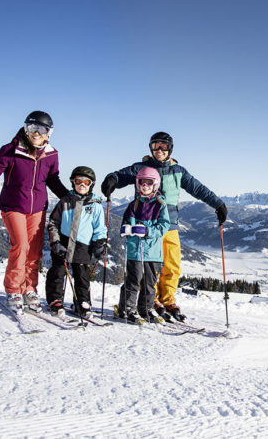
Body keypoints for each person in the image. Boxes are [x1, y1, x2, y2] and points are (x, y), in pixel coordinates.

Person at [101, 132, 227, 321]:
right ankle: (148, 300)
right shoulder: (141, 168)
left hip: (169, 224)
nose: (159, 150)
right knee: (147, 265)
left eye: (163, 146)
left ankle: (167, 300)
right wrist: (112, 179)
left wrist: (217, 204)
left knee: (171, 264)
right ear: (150, 148)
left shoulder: (178, 171)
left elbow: (198, 189)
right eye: (155, 146)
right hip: (144, 224)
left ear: (170, 149)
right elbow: (120, 176)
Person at [0, 111, 68, 314]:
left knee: (34, 251)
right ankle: (14, 289)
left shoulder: (51, 154)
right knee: (21, 246)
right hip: (13, 206)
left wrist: (68, 196)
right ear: (25, 128)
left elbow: (52, 179)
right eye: (33, 128)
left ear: (49, 133)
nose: (37, 133)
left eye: (42, 129)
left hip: (38, 209)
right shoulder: (11, 150)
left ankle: (29, 288)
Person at [45, 166, 107, 319]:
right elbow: (53, 222)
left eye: (86, 182)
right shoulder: (65, 202)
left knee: (82, 275)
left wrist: (99, 244)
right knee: (58, 272)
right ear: (73, 182)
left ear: (91, 185)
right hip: (63, 243)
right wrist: (55, 242)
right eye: (78, 181)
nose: (82, 185)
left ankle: (83, 302)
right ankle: (55, 300)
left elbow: (100, 228)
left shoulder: (95, 206)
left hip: (83, 246)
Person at [114, 167, 170, 324]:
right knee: (133, 280)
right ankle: (127, 308)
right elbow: (125, 223)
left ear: (155, 184)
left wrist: (147, 231)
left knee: (149, 282)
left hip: (153, 251)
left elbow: (164, 226)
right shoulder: (133, 205)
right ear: (138, 185)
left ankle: (145, 308)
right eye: (142, 183)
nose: (145, 186)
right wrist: (126, 230)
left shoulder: (160, 205)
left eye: (149, 183)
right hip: (135, 251)